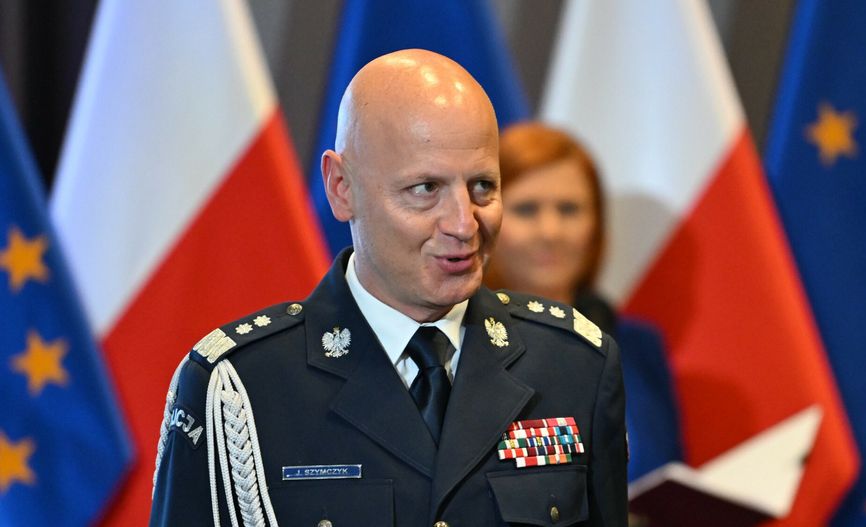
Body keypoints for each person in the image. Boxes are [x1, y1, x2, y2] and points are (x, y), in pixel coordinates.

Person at [150, 50, 629, 526]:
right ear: (342, 187)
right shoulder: (240, 386)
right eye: (425, 189)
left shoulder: (574, 365)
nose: (464, 224)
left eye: (482, 186)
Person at [485, 122, 683, 483]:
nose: (550, 232)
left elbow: (666, 471)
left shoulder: (637, 344)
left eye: (569, 209)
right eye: (527, 210)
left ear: (596, 224)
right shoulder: (454, 341)